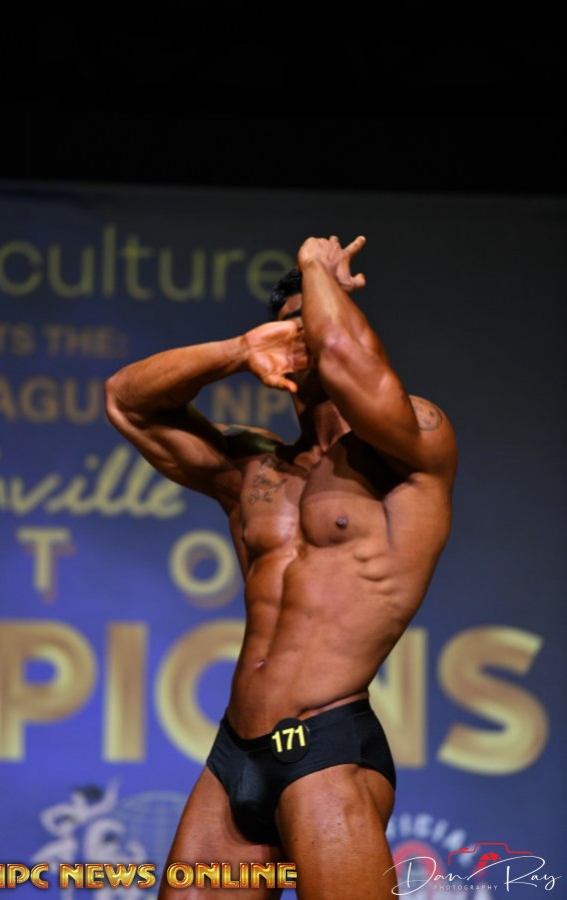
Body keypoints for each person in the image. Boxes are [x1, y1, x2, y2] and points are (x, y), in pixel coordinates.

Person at [104, 234, 458, 899]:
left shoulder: (413, 446)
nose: (310, 336)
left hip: (325, 746)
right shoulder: (254, 470)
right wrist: (239, 350)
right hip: (233, 753)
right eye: (295, 326)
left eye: (319, 320)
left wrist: (315, 267)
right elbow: (127, 400)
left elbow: (344, 355)